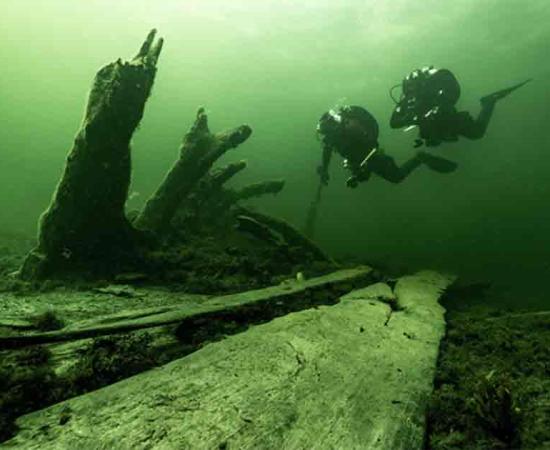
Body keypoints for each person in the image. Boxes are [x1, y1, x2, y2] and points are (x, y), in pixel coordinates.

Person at [316, 105, 457, 188]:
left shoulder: (350, 128)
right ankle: (362, 172)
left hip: (371, 155)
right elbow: (327, 150)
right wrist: (324, 169)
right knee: (362, 178)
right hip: (360, 158)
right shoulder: (332, 137)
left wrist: (362, 166)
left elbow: (370, 143)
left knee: (396, 177)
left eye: (326, 134)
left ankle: (420, 158)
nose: (326, 138)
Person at [389, 66, 531, 148]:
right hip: (437, 129)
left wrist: (438, 108)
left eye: (413, 87)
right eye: (409, 89)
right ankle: (437, 137)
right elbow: (393, 123)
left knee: (477, 133)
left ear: (420, 83)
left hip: (450, 120)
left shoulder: (432, 90)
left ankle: (489, 102)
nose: (411, 92)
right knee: (433, 137)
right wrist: (411, 118)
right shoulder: (407, 100)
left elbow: (450, 94)